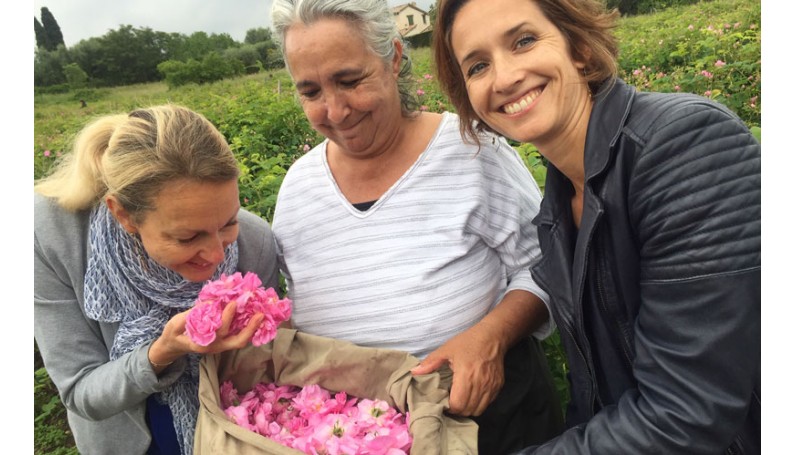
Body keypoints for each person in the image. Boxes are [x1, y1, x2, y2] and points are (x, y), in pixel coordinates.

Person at [432, 0, 761, 453]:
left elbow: (687, 413)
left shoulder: (683, 147)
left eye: (524, 41)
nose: (503, 78)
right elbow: (594, 394)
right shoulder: (559, 201)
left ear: (579, 46)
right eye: (477, 66)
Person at [268, 1, 564, 453]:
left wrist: (490, 338)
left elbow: (546, 267)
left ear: (394, 58)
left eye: (349, 80)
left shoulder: (473, 151)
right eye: (310, 92)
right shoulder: (298, 187)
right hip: (351, 435)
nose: (336, 110)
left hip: (487, 422)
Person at [34, 104, 280, 455]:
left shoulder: (254, 241)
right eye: (187, 237)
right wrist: (161, 353)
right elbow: (80, 392)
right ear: (124, 214)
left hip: (227, 434)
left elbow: (266, 374)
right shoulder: (53, 235)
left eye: (228, 222)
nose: (216, 255)